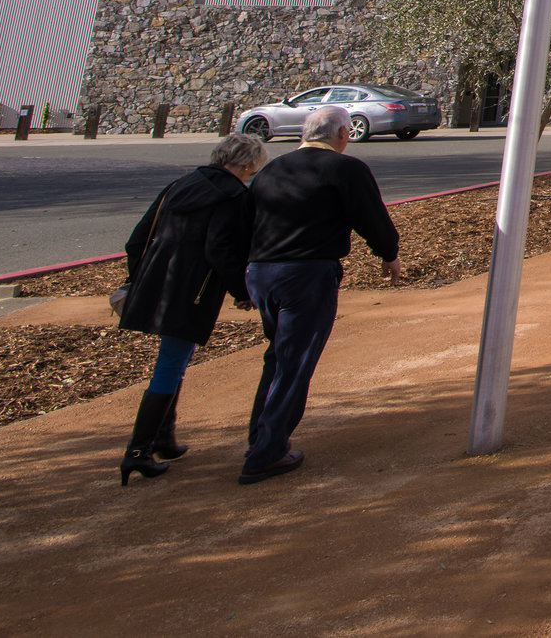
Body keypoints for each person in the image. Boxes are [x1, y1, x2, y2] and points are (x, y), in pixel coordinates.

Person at [240, 104, 402, 485]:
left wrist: (242, 279)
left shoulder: (270, 170)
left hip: (262, 273)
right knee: (294, 361)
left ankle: (259, 437)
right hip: (307, 274)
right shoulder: (346, 169)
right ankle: (267, 452)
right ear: (343, 134)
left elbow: (247, 224)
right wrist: (389, 254)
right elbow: (371, 218)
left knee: (277, 355)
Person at [114, 131, 264, 485]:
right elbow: (220, 251)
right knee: (170, 364)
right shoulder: (233, 196)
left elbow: (137, 240)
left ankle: (164, 437)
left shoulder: (179, 184)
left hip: (156, 280)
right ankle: (138, 450)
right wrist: (241, 291)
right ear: (246, 164)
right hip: (193, 289)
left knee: (173, 360)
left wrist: (142, 278)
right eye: (253, 168)